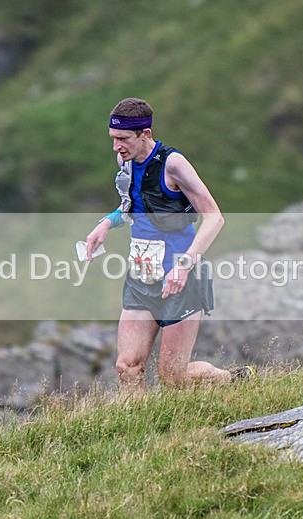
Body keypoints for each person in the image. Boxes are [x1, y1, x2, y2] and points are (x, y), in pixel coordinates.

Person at [85, 97, 255, 393]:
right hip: (142, 278)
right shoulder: (124, 161)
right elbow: (132, 206)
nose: (116, 147)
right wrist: (106, 223)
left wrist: (184, 266)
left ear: (145, 134)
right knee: (127, 367)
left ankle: (234, 379)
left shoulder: (173, 165)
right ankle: (140, 434)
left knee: (173, 378)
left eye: (123, 139)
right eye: (113, 139)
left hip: (182, 281)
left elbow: (214, 218)